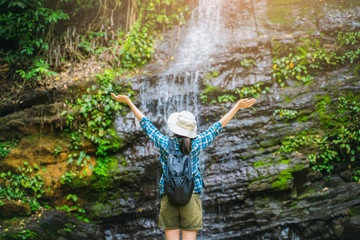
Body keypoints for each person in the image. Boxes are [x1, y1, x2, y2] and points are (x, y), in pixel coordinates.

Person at [111, 93, 256, 240]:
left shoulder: (164, 143)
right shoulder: (197, 143)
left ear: (175, 128)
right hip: (191, 197)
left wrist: (129, 101)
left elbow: (146, 124)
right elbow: (217, 127)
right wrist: (237, 106)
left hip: (169, 196)